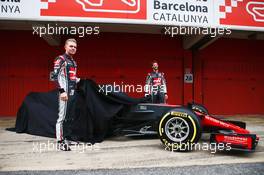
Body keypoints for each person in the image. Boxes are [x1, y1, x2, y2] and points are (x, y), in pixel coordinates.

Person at [50, 38, 80, 151]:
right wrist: (61, 91)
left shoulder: (73, 62)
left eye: (75, 47)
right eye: (71, 46)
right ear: (65, 47)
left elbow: (72, 78)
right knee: (61, 118)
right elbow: (55, 76)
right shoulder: (60, 59)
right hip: (64, 93)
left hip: (72, 93)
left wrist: (81, 81)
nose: (73, 48)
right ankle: (60, 142)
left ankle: (68, 138)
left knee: (69, 117)